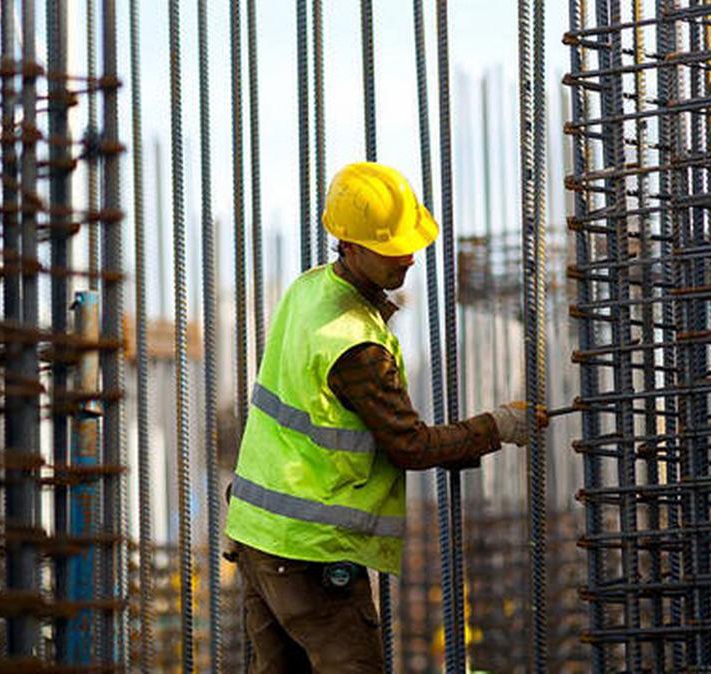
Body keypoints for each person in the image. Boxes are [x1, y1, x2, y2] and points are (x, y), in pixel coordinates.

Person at [224, 162, 542, 673]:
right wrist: (498, 427)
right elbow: (410, 446)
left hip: (258, 533)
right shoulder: (356, 345)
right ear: (349, 246)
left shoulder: (310, 290)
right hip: (309, 553)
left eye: (408, 244)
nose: (408, 258)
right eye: (391, 248)